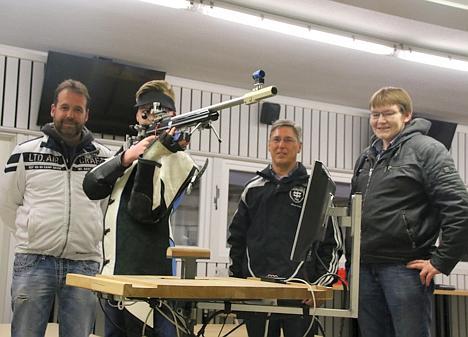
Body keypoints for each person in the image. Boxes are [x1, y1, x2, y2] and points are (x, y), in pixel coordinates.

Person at [83, 80, 199, 337]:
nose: (150, 116)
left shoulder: (180, 161)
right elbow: (92, 186)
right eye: (144, 110)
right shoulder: (128, 152)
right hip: (113, 274)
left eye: (159, 110)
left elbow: (144, 211)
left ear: (173, 115)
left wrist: (153, 155)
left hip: (146, 276)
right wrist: (127, 157)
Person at [350, 86, 468, 337]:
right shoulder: (367, 157)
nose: (380, 120)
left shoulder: (428, 150)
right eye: (374, 114)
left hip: (404, 268)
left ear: (406, 116)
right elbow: (355, 211)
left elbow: (459, 207)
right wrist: (351, 263)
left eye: (388, 113)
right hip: (364, 269)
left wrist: (442, 261)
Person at [0, 79, 113, 337]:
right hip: (33, 260)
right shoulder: (23, 153)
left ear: (86, 115)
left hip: (85, 263)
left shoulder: (104, 159)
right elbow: (7, 203)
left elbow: (106, 209)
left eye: (77, 109)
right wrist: (30, 233)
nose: (70, 115)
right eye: (64, 107)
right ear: (53, 110)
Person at [227, 119, 343, 337]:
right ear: (269, 145)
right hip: (257, 289)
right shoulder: (253, 189)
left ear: (299, 146)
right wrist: (238, 283)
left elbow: (333, 244)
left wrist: (319, 286)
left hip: (300, 291)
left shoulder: (316, 191)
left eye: (288, 140)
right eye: (276, 140)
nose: (282, 145)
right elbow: (236, 239)